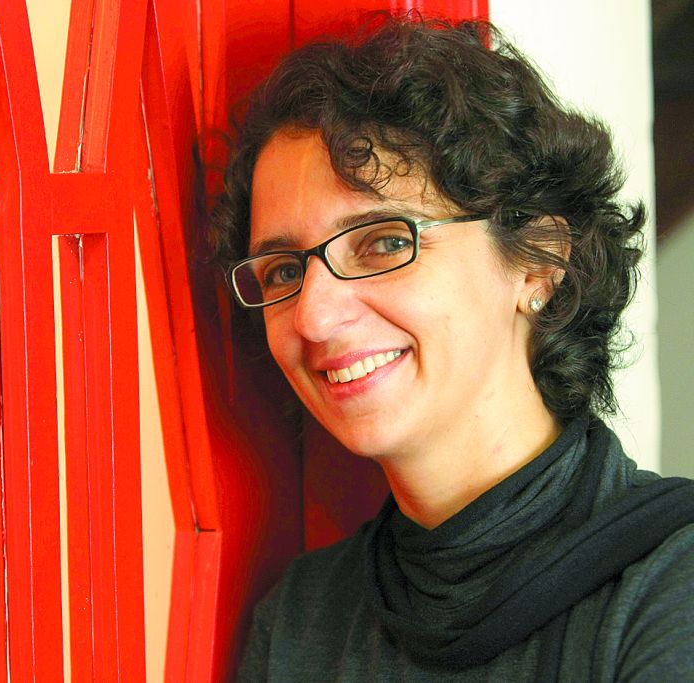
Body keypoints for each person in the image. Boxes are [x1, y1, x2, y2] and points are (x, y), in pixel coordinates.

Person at [210, 14, 694, 681]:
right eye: (284, 270)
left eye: (384, 242)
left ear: (538, 261)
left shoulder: (670, 583)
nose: (314, 316)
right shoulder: (302, 618)